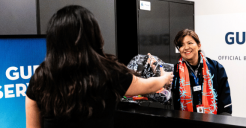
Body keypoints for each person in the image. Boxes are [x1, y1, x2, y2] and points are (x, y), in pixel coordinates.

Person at [25, 5, 173, 128]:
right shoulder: (109, 72)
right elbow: (147, 86)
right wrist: (165, 78)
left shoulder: (40, 78)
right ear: (94, 35)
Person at [171, 29, 232, 115]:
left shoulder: (216, 68)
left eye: (190, 43)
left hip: (213, 122)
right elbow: (165, 96)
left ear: (199, 45)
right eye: (181, 45)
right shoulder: (175, 71)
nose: (186, 48)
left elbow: (225, 101)